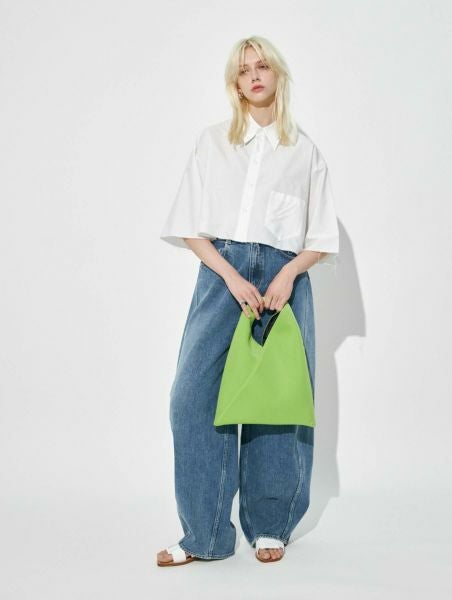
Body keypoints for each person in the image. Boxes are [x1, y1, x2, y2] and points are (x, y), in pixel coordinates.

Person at [157, 35, 339, 566]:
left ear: (277, 75)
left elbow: (319, 238)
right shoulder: (213, 142)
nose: (254, 75)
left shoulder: (304, 151)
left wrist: (289, 274)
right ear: (235, 84)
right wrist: (231, 277)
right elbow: (190, 227)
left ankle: (270, 524)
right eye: (244, 70)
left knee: (275, 398)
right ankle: (206, 534)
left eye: (262, 66)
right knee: (192, 397)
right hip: (222, 275)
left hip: (284, 279)